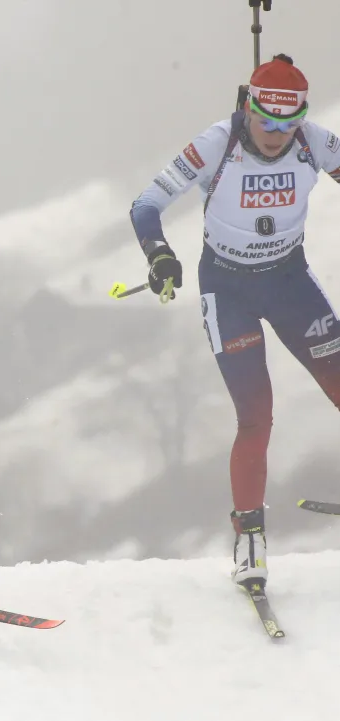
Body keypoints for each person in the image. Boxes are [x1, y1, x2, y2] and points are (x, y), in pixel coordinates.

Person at [129, 54, 340, 589]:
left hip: (289, 282)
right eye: (266, 121)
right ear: (249, 106)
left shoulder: (314, 141)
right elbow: (145, 204)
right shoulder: (216, 143)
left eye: (288, 125)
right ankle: (249, 539)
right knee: (256, 416)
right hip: (228, 289)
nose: (276, 135)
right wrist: (159, 256)